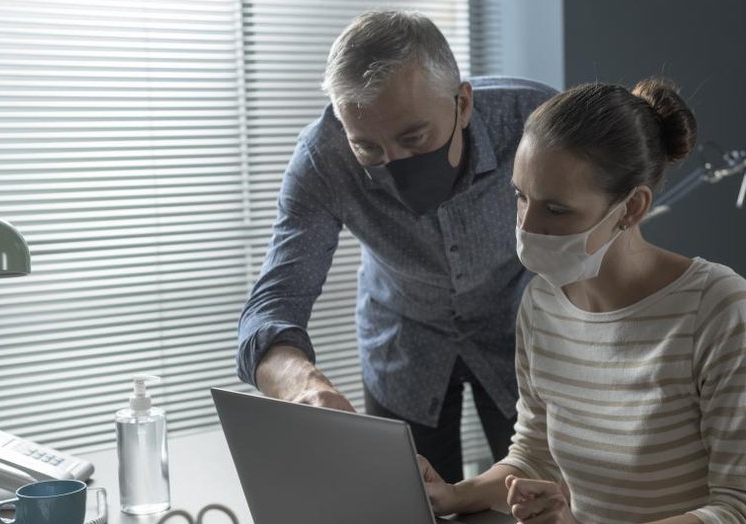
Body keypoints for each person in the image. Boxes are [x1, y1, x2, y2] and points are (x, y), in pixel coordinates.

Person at [419, 78, 746, 524]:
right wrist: (457, 495)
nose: (527, 227)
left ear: (631, 208)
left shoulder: (717, 307)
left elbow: (745, 521)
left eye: (556, 209)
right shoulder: (542, 302)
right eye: (520, 198)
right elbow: (534, 454)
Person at [236, 10, 556, 483]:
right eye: (369, 149)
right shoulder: (323, 157)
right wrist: (305, 388)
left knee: (541, 506)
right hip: (404, 349)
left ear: (462, 103)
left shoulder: (534, 123)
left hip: (524, 342)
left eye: (414, 136)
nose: (395, 163)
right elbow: (271, 306)